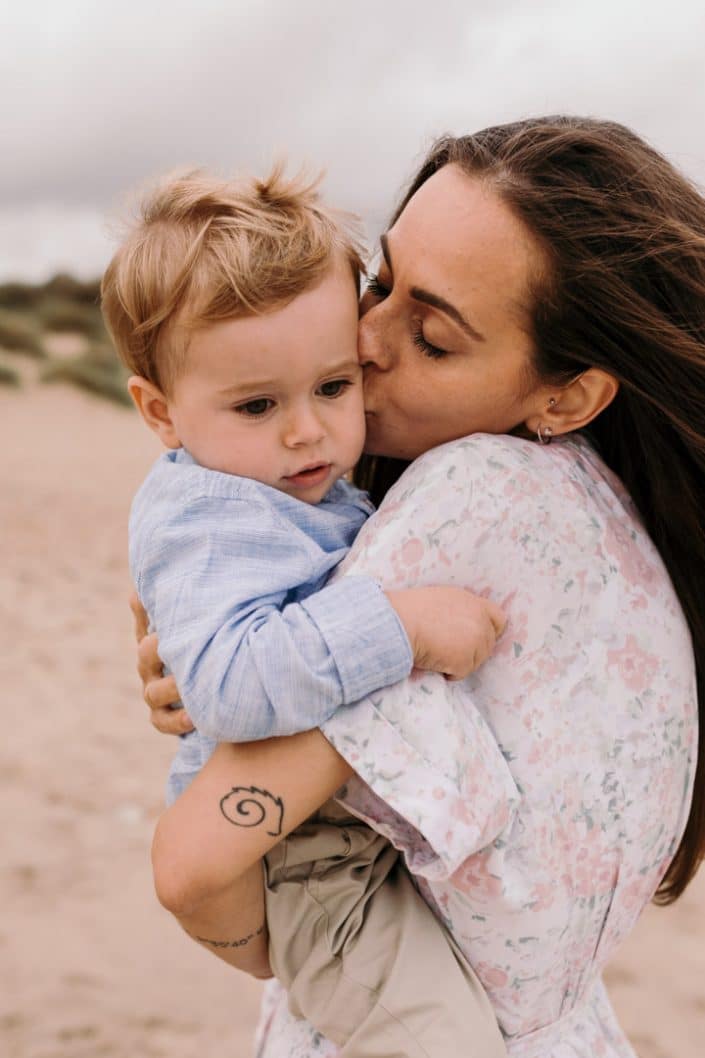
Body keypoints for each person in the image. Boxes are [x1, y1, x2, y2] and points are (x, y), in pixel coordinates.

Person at [137, 116, 704, 1058]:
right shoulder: (608, 507)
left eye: (431, 336)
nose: (361, 341)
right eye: (380, 282)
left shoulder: (475, 494)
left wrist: (265, 952)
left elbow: (194, 866)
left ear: (565, 398)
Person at [102, 168, 508, 1057]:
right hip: (309, 861)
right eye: (257, 405)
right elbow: (235, 688)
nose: (307, 434)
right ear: (160, 412)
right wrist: (401, 627)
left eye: (333, 386)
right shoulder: (209, 517)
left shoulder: (273, 475)